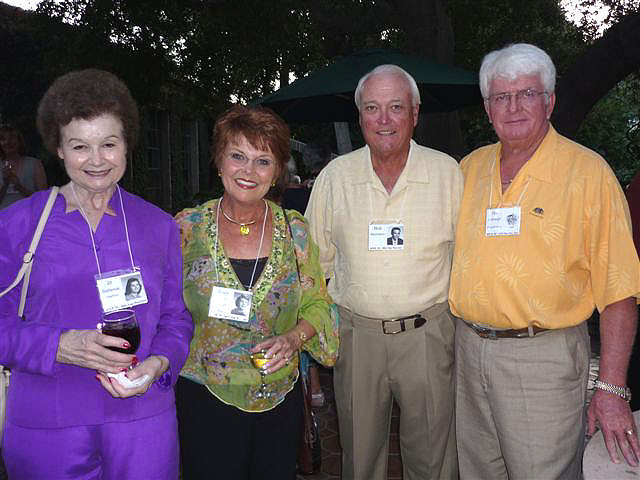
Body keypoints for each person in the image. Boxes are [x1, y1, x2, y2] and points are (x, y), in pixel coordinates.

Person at [448, 43, 640, 479]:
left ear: (549, 101)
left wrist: (611, 388)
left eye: (527, 94)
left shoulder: (588, 174)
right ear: (487, 107)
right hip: (469, 350)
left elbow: (620, 290)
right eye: (501, 97)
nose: (513, 107)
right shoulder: (468, 169)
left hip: (543, 361)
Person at [0, 69, 193, 479]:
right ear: (58, 149)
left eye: (109, 143)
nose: (97, 160)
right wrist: (58, 345)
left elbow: (176, 318)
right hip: (48, 423)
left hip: (143, 419)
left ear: (126, 146)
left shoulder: (158, 226)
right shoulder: (17, 226)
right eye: (79, 146)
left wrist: (158, 364)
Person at [305, 64, 462, 480]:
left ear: (415, 112)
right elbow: (311, 265)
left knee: (434, 458)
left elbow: (469, 260)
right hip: (357, 339)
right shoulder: (335, 178)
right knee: (360, 456)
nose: (384, 119)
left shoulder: (449, 174)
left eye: (396, 107)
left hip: (429, 336)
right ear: (360, 117)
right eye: (372, 108)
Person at [174, 105, 339, 480]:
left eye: (262, 161)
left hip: (277, 395)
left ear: (278, 171)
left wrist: (295, 337)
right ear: (219, 160)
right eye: (237, 156)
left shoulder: (295, 230)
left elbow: (319, 304)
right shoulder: (186, 229)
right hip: (204, 395)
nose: (248, 172)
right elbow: (165, 312)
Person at [0, 124, 47, 209]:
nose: (8, 142)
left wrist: (19, 187)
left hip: (28, 218)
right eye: (3, 139)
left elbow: (43, 199)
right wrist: (5, 184)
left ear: (19, 140)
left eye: (12, 137)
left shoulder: (34, 164)